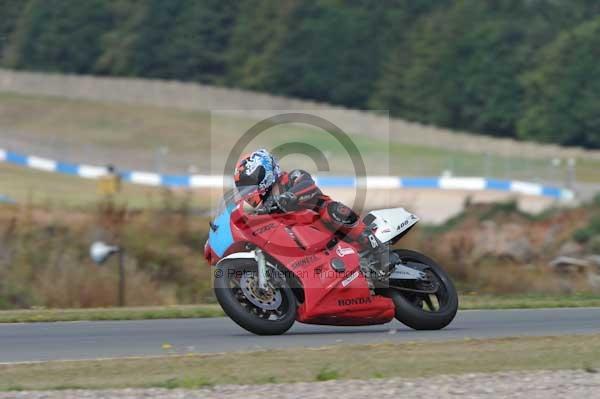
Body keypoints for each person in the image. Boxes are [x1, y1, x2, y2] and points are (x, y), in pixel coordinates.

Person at [233, 148, 394, 276]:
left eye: (250, 183)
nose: (248, 190)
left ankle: (380, 250)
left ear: (264, 172)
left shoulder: (291, 177)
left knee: (332, 210)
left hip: (328, 226)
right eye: (244, 187)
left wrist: (289, 196)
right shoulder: (264, 209)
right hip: (308, 244)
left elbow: (308, 184)